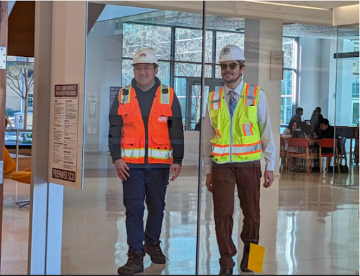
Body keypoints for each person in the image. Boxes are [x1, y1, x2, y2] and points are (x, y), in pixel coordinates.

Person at [108, 48, 184, 275]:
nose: (142, 72)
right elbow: (114, 129)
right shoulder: (123, 95)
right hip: (130, 165)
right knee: (133, 209)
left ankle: (152, 242)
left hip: (160, 164)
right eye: (138, 68)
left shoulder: (168, 94)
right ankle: (135, 255)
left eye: (147, 68)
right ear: (134, 70)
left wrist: (177, 158)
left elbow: (176, 129)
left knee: (157, 208)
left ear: (155, 70)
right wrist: (116, 158)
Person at [203, 45, 276, 275]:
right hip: (221, 166)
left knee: (253, 213)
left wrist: (270, 166)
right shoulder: (213, 98)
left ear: (242, 68)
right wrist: (208, 170)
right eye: (223, 66)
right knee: (222, 215)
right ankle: (226, 262)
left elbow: (267, 132)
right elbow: (207, 138)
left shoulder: (257, 94)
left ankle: (253, 260)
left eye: (232, 65)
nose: (227, 70)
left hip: (250, 165)